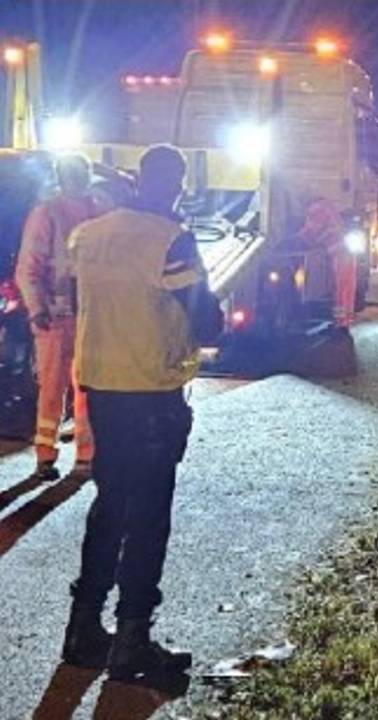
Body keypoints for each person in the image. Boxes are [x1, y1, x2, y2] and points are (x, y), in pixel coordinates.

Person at [59, 145, 223, 679]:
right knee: (149, 516)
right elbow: (208, 320)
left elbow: (73, 295)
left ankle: (83, 629)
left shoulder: (89, 234)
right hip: (150, 390)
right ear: (174, 185)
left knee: (109, 506)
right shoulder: (170, 240)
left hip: (100, 388)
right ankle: (132, 641)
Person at [15, 154, 98, 483]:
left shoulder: (97, 211)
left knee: (88, 388)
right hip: (55, 315)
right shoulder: (47, 214)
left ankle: (86, 455)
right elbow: (28, 268)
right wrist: (36, 308)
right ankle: (46, 455)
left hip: (88, 315)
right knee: (52, 386)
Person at [293, 192, 356, 329]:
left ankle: (339, 321)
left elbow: (311, 230)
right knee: (344, 289)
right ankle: (342, 320)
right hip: (341, 254)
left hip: (337, 255)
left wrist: (294, 239)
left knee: (338, 289)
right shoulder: (325, 207)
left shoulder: (317, 209)